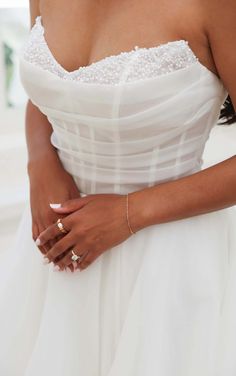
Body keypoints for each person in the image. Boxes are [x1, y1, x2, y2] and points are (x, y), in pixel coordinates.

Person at [0, 0, 236, 375]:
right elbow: (50, 90)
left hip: (166, 264)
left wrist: (129, 213)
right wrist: (40, 162)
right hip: (56, 247)